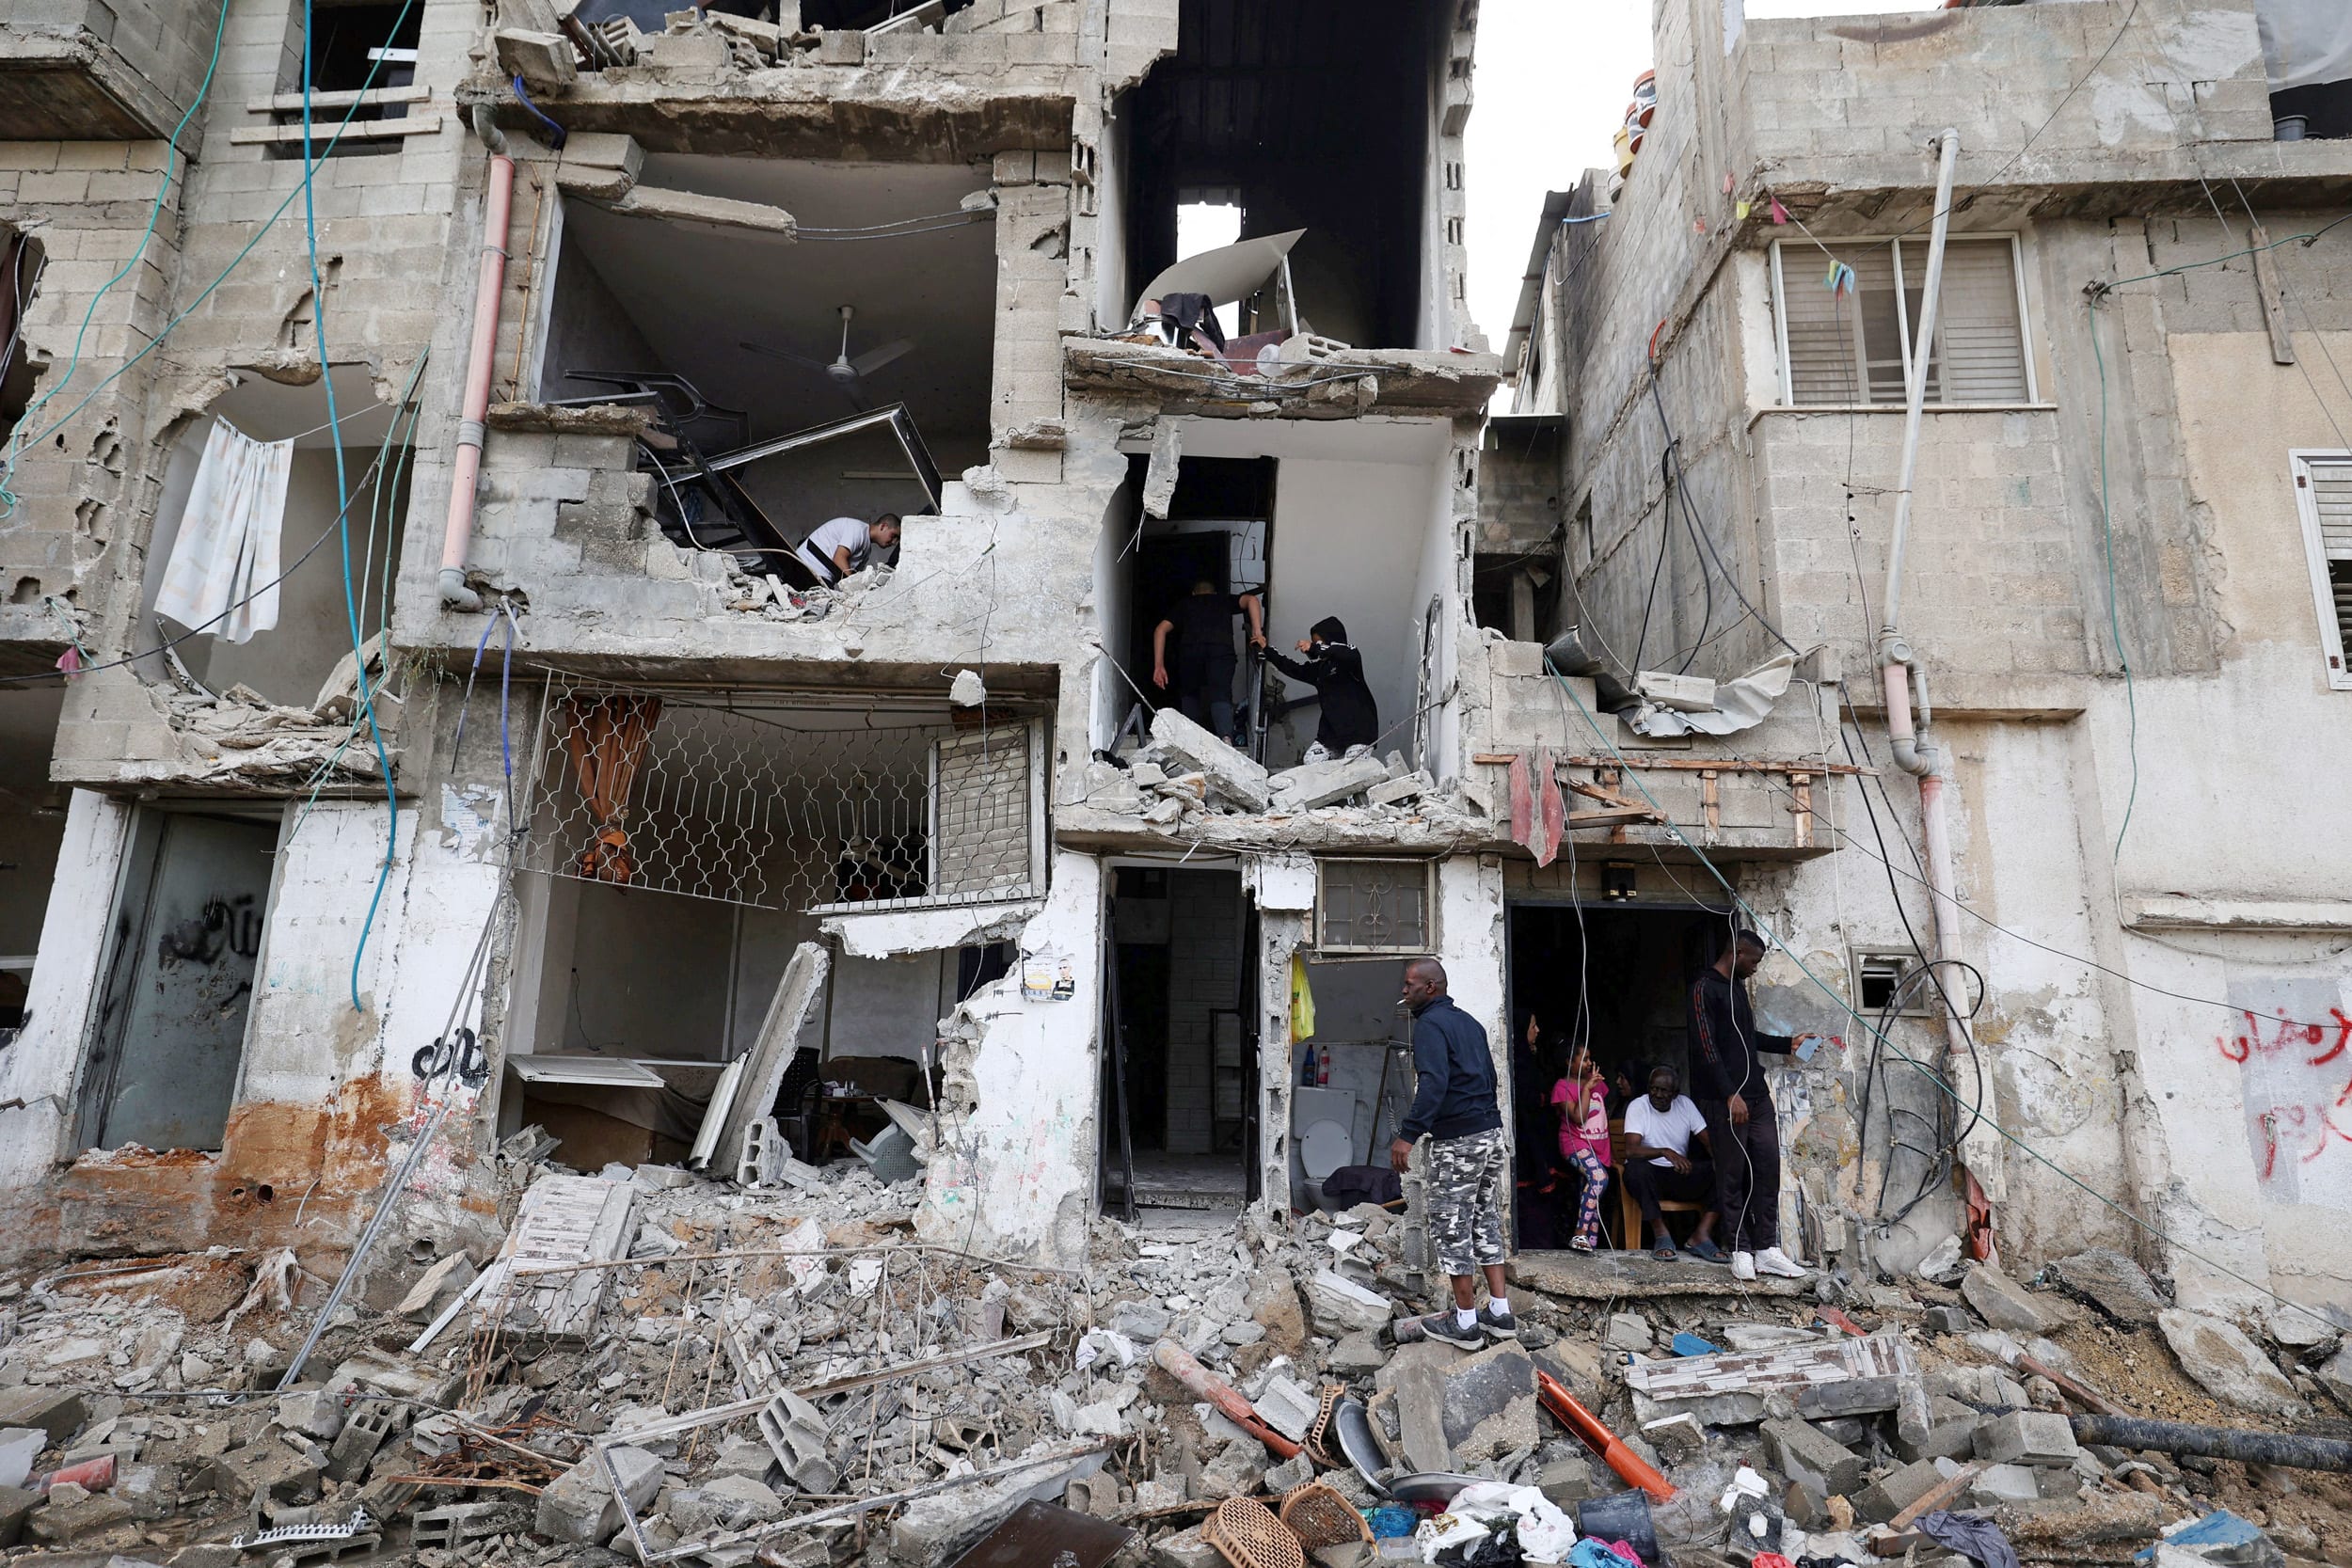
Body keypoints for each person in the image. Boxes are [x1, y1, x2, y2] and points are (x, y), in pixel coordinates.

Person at [1390, 958, 1514, 1349]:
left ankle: (1465, 1322)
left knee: (1451, 1225)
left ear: (1431, 987)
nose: (1404, 990)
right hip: (1490, 1134)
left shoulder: (1429, 1026)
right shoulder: (1470, 1023)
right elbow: (1491, 1079)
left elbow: (1433, 1084)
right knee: (1485, 1218)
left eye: (1410, 984)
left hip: (1459, 1140)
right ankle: (1499, 1311)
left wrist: (1407, 1135)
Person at [1687, 928, 1823, 1281]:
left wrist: (1787, 1044)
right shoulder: (1704, 988)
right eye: (1755, 961)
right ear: (1737, 952)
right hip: (1725, 1099)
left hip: (1756, 1095)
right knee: (1732, 1175)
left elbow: (1746, 1039)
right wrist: (1729, 1093)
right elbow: (1706, 1048)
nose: (1756, 969)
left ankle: (1767, 1248)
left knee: (1766, 1169)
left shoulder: (1737, 988)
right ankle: (1739, 1249)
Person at [1620, 1065, 1723, 1261]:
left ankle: (1701, 1235)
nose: (1657, 1094)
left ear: (1675, 1094)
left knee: (1724, 1171)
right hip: (1651, 1179)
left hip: (1679, 1175)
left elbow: (1708, 1142)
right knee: (1634, 1170)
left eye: (1663, 1090)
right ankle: (1661, 1234)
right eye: (1653, 1088)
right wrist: (1664, 1151)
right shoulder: (1638, 1106)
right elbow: (1631, 1150)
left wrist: (1721, 1163)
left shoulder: (1685, 1105)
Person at [1152, 580, 1263, 744]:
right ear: (1214, 593)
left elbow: (1160, 629)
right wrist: (1257, 633)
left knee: (1190, 694)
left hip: (1190, 654)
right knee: (1221, 694)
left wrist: (1159, 666)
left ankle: (1189, 740)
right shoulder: (1224, 600)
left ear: (1193, 594)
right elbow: (1252, 600)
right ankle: (1225, 737)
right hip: (1221, 653)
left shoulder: (1185, 604)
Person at [1255, 616, 1378, 763]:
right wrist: (1267, 649)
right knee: (1311, 760)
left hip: (1360, 732)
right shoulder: (1319, 670)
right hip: (1332, 734)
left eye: (1318, 641)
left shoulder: (1350, 657)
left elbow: (1341, 651)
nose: (1313, 645)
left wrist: (1315, 648)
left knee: (1353, 767)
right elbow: (1293, 668)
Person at [1550, 1042, 1613, 1252]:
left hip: (1598, 1146)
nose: (1589, 1063)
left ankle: (1590, 1244)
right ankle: (1580, 1234)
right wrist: (1586, 1088)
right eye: (1583, 1059)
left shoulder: (1597, 1084)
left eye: (1589, 1058)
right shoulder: (1562, 1087)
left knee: (1594, 1191)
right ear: (1569, 1062)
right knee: (1598, 1178)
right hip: (1574, 1143)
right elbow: (1578, 1117)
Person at [794, 513, 900, 586]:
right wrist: (853, 591)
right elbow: (839, 558)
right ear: (883, 526)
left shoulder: (867, 550)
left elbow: (850, 575)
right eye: (894, 535)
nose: (894, 542)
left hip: (821, 577)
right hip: (805, 569)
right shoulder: (857, 529)